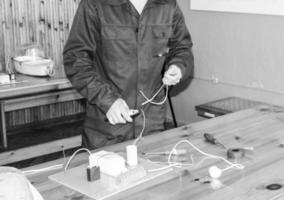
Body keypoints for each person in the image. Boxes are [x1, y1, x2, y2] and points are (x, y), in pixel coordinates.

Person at [63, 0, 194, 149]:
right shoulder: (94, 4)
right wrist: (107, 100)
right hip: (108, 126)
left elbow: (182, 48)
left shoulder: (168, 5)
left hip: (151, 125)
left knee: (154, 172)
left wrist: (179, 66)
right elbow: (75, 60)